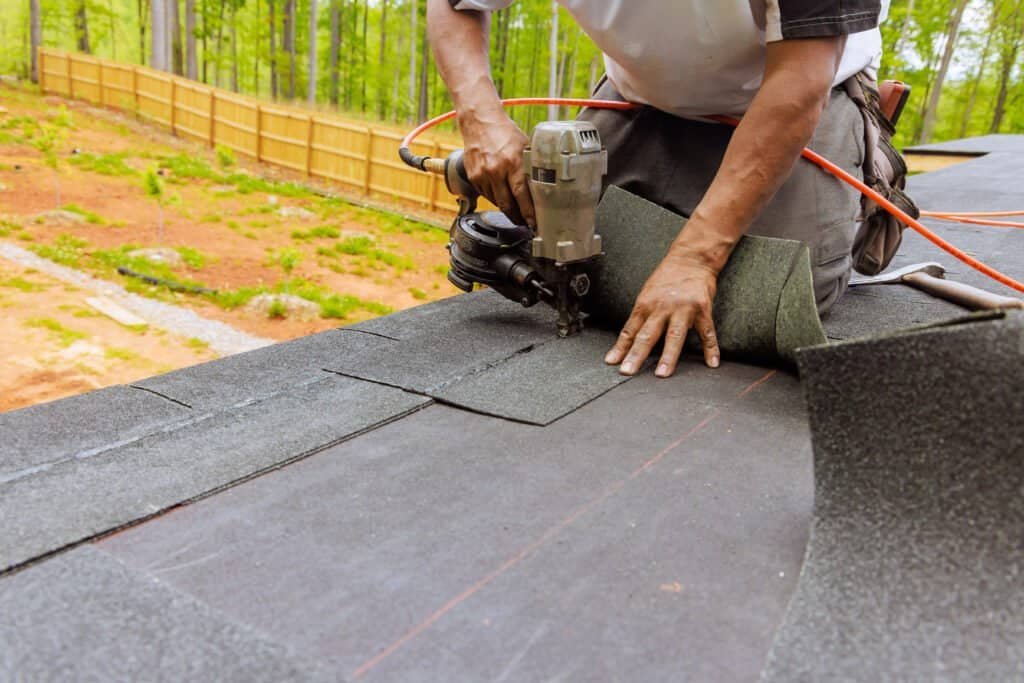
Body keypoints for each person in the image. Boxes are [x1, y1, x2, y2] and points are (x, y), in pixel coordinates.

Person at [427, 0, 889, 378]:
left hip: (793, 97)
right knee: (566, 259)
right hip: (642, 94)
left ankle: (863, 197)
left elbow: (800, 80)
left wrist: (697, 257)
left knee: (775, 299)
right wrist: (480, 120)